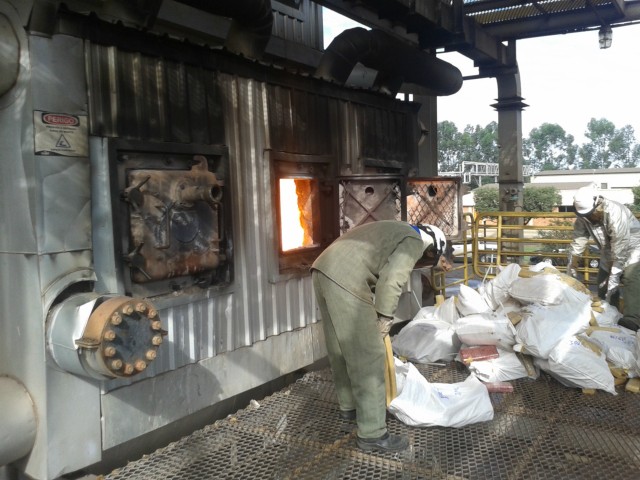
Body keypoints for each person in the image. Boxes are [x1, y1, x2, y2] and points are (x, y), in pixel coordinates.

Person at [311, 220, 450, 452]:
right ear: (432, 247)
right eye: (427, 258)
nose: (421, 261)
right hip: (346, 278)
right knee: (369, 356)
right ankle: (373, 434)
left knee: (340, 348)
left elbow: (376, 267)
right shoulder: (414, 240)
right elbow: (392, 279)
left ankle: (351, 410)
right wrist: (385, 318)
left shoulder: (393, 230)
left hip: (322, 270)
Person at [567, 185, 640, 331]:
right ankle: (608, 314)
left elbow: (620, 245)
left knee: (631, 279)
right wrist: (573, 264)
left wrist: (615, 274)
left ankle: (633, 319)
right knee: (603, 282)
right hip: (608, 248)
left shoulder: (615, 212)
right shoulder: (584, 215)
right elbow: (579, 239)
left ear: (597, 203)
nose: (588, 217)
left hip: (632, 246)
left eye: (590, 213)